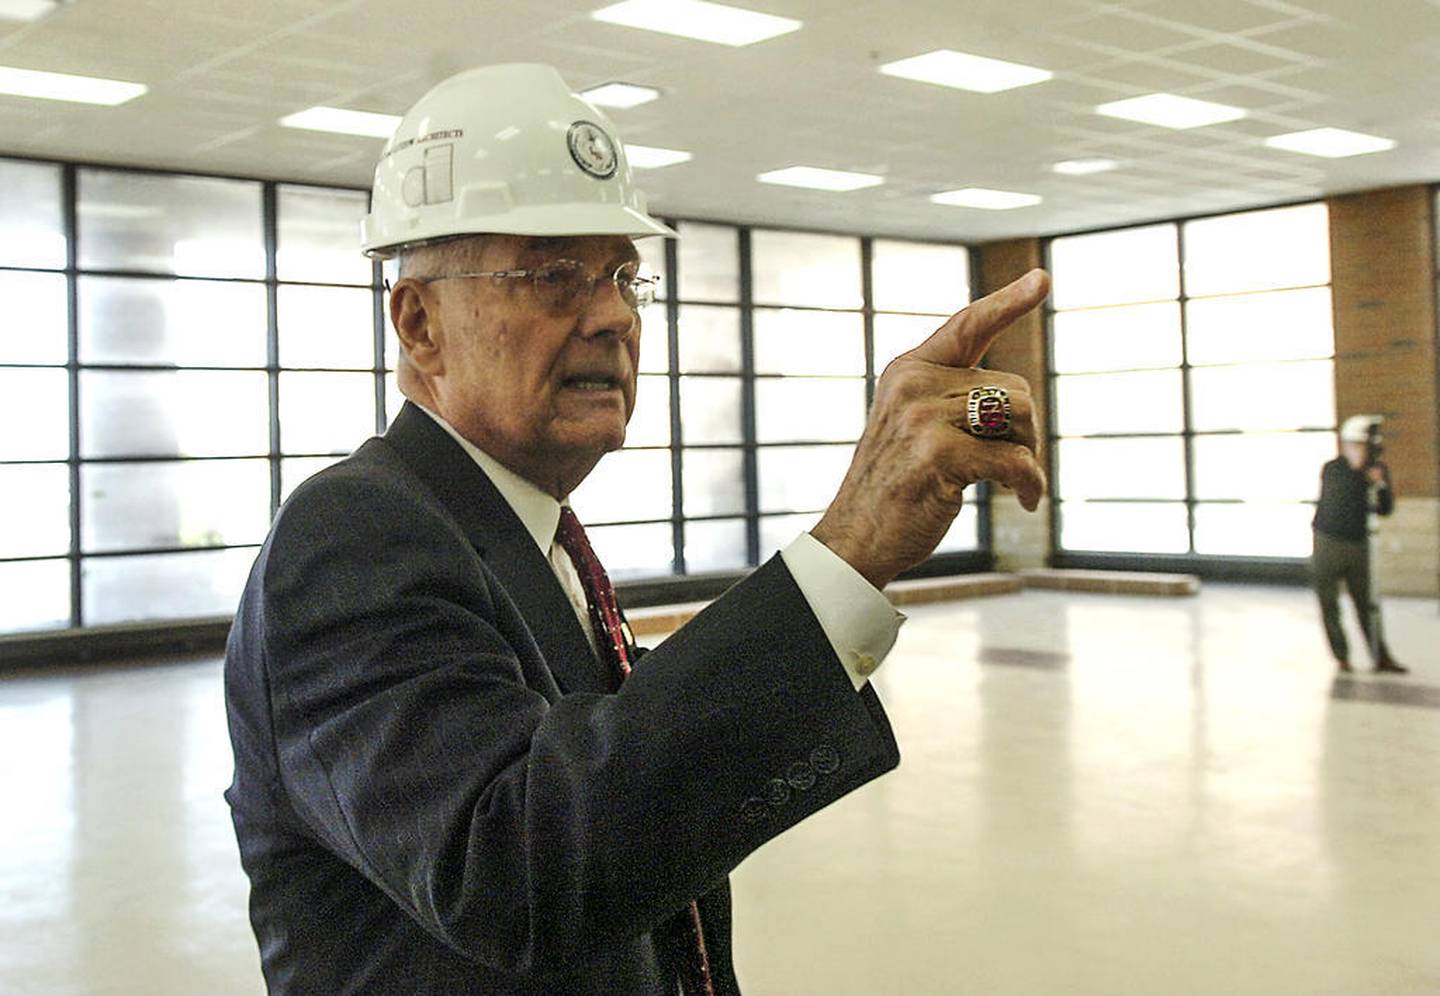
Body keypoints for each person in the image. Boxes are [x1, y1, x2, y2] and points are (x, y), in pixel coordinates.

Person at [223, 63, 1049, 994]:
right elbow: (517, 872)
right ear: (419, 324)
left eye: (622, 274)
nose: (613, 314)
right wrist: (848, 547)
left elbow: (608, 773)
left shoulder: (523, 531)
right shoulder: (355, 536)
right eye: (550, 274)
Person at [1312, 413, 1407, 675]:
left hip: (1358, 545)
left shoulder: (1377, 471)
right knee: (1328, 601)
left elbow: (1385, 508)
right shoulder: (1333, 468)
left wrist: (1380, 483)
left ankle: (1380, 655)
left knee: (1367, 602)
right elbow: (1337, 501)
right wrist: (1358, 472)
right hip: (1328, 541)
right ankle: (1341, 656)